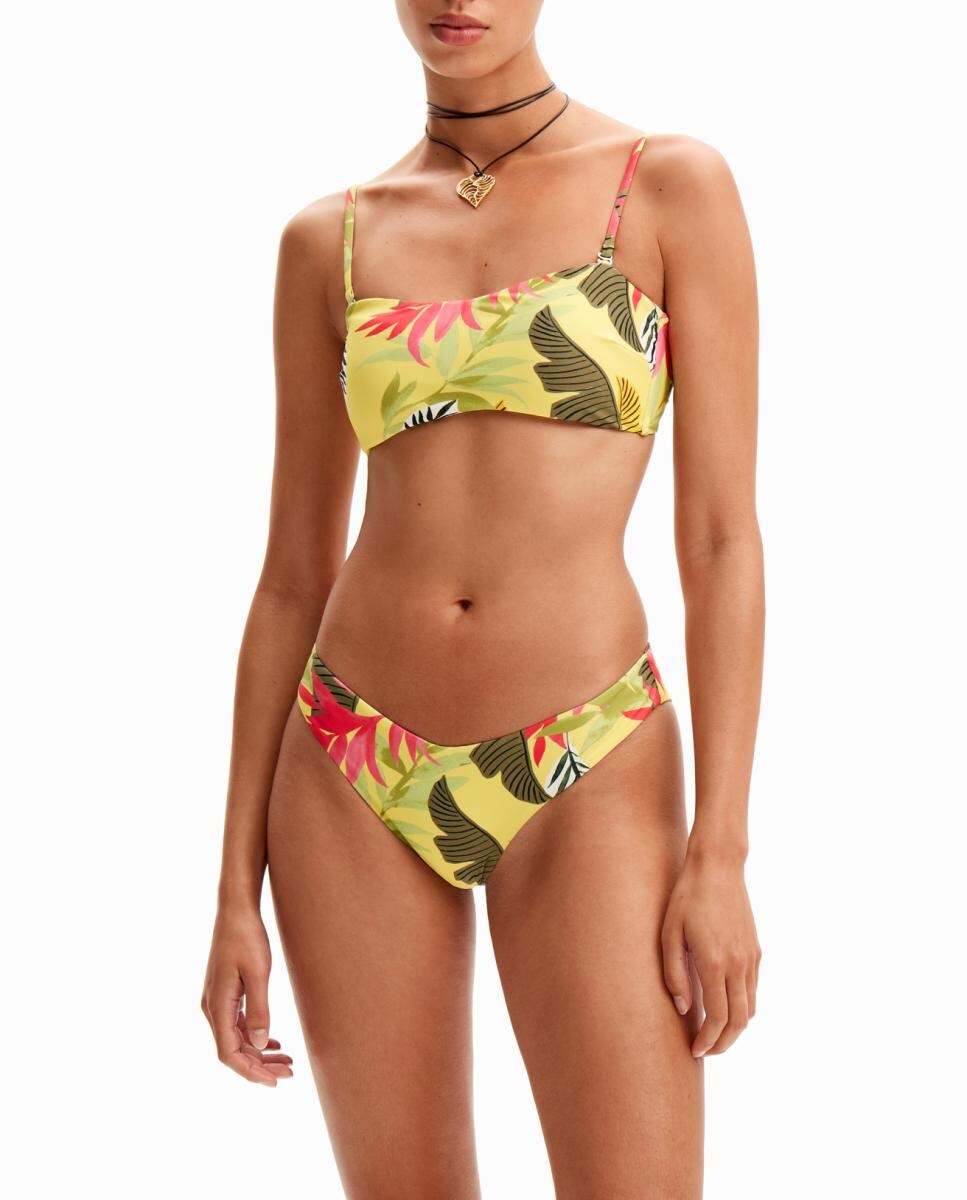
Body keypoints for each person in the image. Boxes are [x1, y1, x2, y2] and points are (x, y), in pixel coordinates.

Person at [200, 2, 763, 1195]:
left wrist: (720, 850)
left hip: (586, 749)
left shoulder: (667, 188)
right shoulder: (328, 239)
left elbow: (720, 542)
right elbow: (290, 575)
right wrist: (232, 888)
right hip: (349, 762)